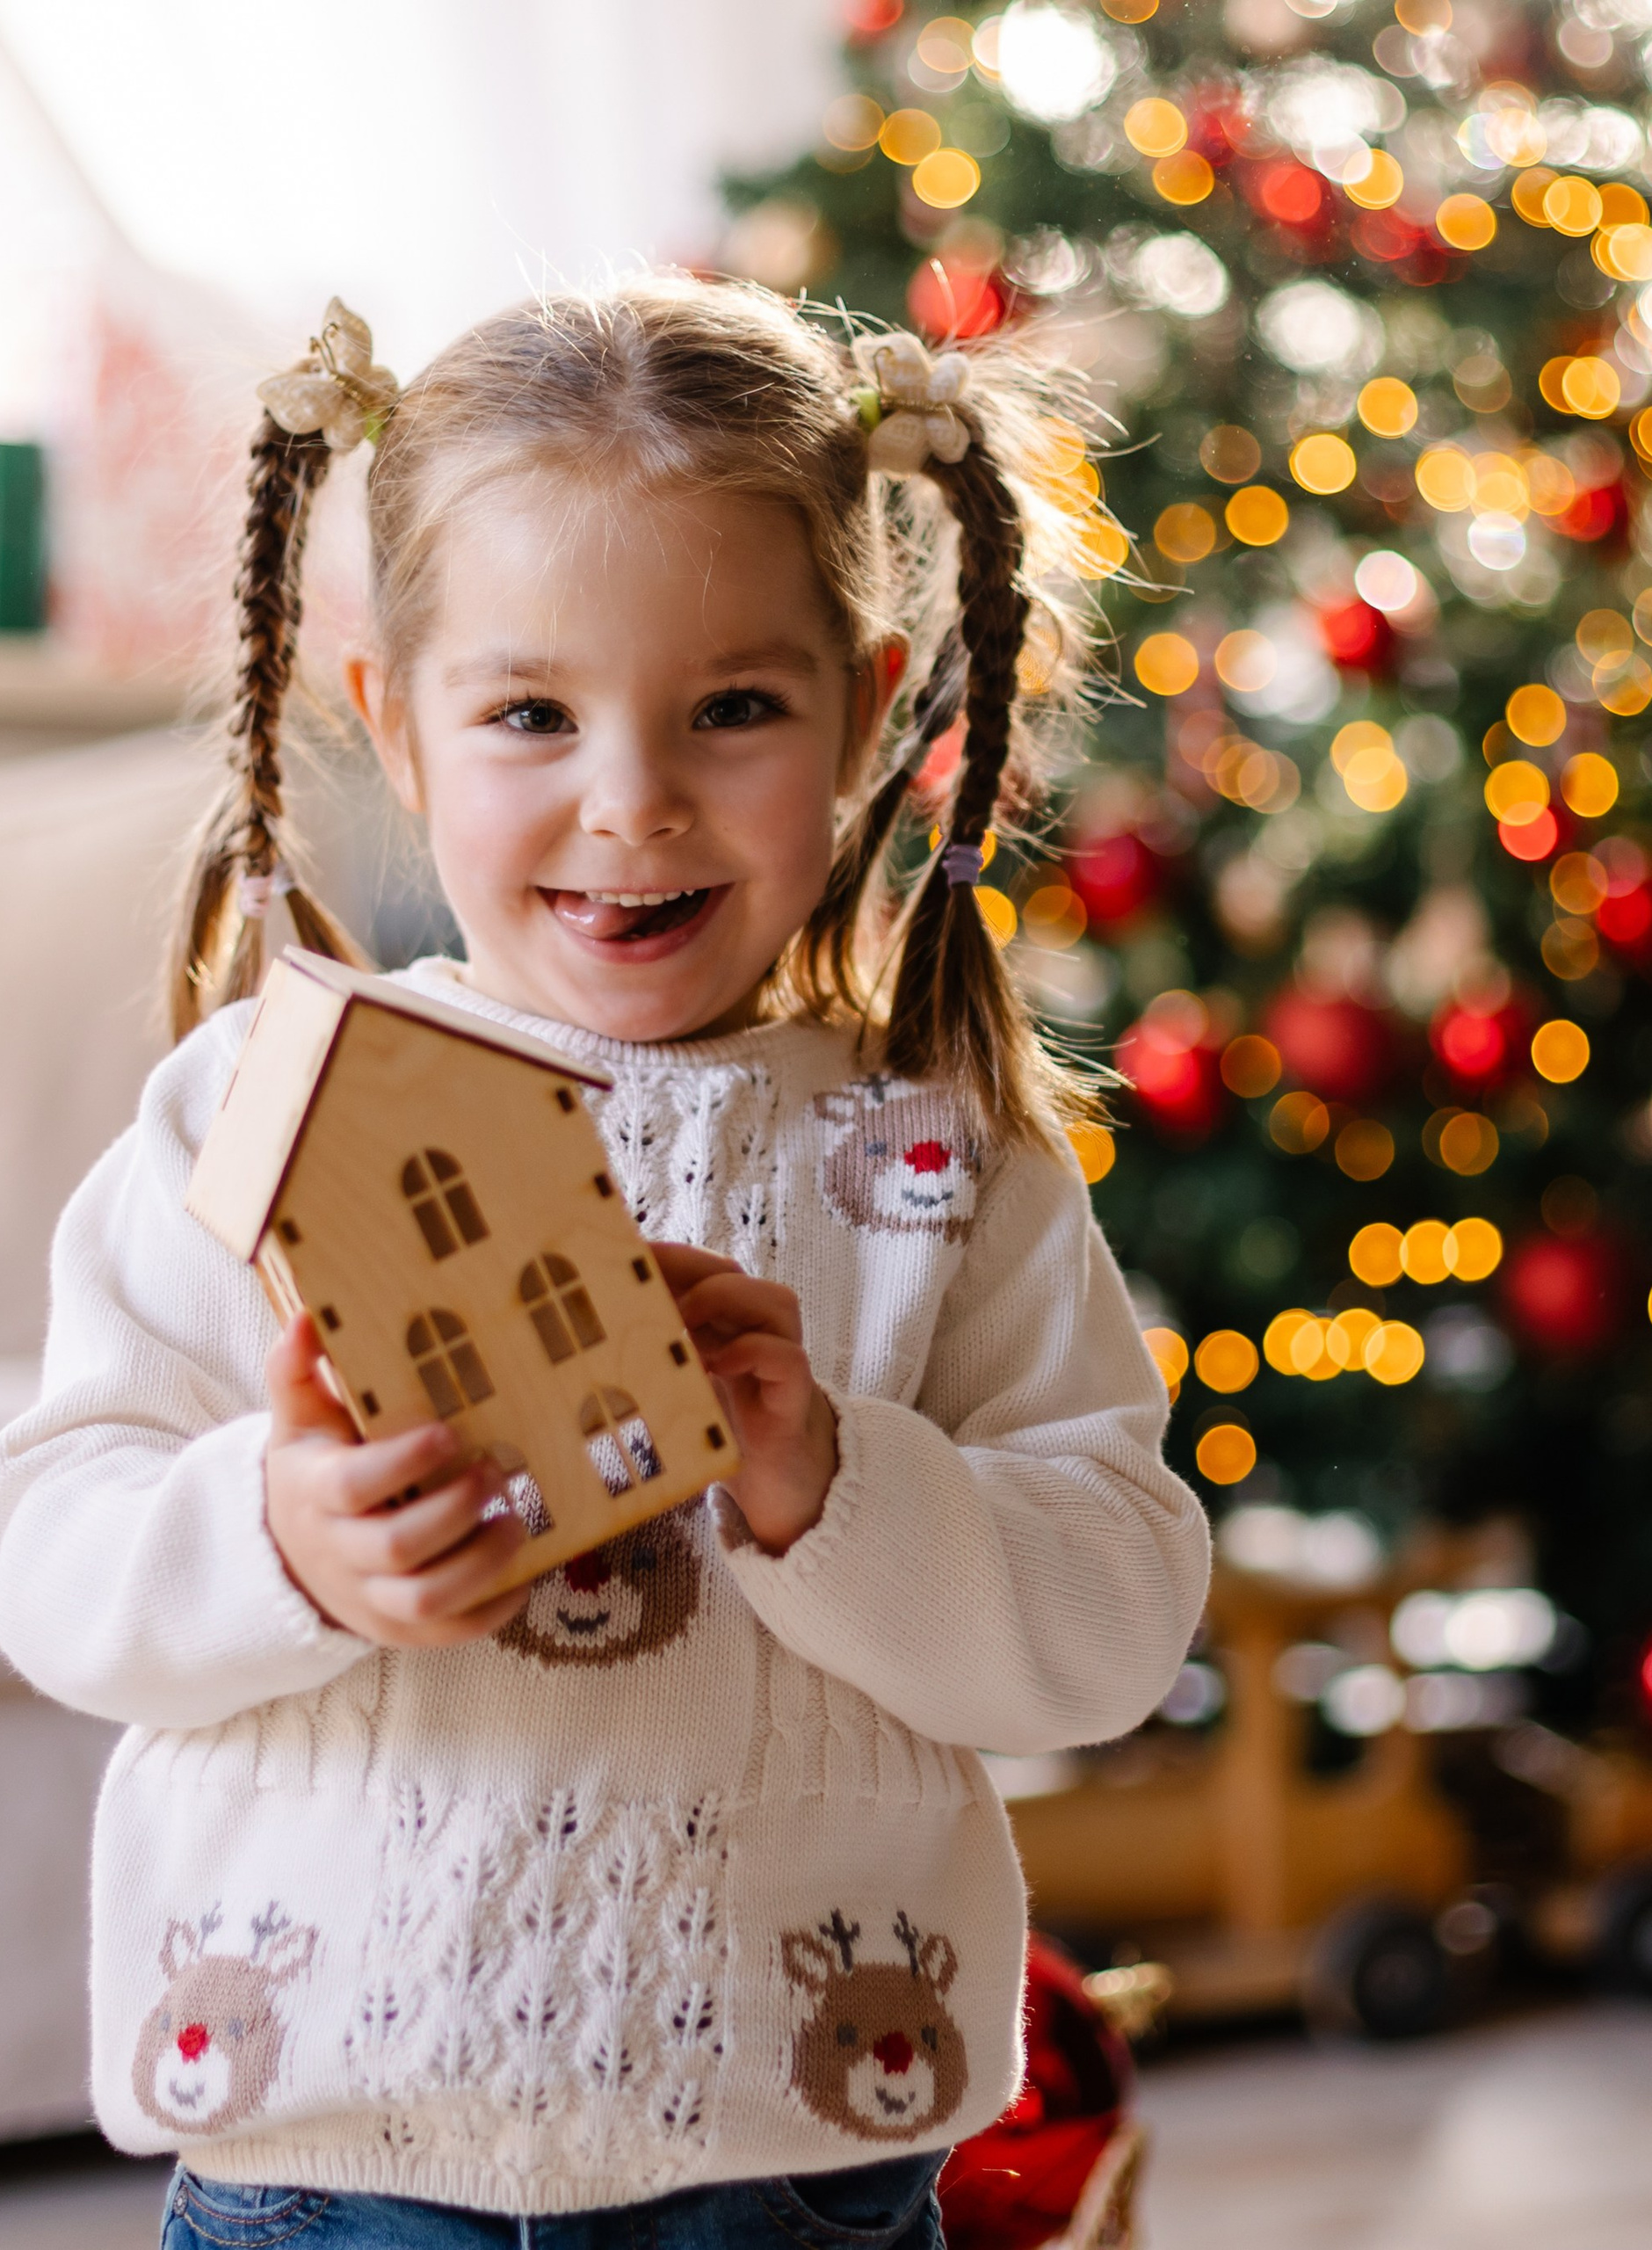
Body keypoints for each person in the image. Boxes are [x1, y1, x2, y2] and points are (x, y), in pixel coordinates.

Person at [0, 283, 1208, 2248]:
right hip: (338, 2166)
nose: (630, 797)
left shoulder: (933, 1157)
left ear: (864, 710)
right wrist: (282, 1539)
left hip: (783, 2167)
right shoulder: (262, 1107)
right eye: (532, 714)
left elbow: (1115, 1614)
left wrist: (835, 1483)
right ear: (395, 720)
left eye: (731, 708)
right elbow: (52, 1544)